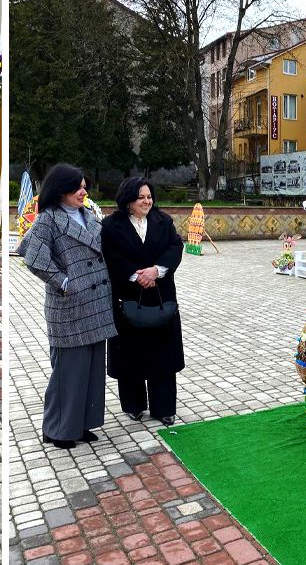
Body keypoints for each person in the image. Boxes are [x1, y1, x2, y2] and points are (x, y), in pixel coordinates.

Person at [17, 164, 117, 449]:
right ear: (61, 190)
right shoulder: (48, 219)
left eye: (84, 186)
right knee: (68, 371)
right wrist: (63, 282)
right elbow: (32, 257)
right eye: (77, 187)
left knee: (92, 368)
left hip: (96, 303)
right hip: (70, 305)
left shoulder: (90, 215)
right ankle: (57, 429)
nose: (83, 191)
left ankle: (83, 424)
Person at [100, 178, 185, 426]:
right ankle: (133, 405)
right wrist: (137, 275)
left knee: (163, 355)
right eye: (141, 197)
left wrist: (156, 271)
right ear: (128, 201)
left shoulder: (163, 221)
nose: (147, 201)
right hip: (128, 297)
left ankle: (164, 408)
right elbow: (109, 255)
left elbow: (175, 247)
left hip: (161, 296)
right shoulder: (111, 225)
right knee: (130, 355)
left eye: (149, 196)